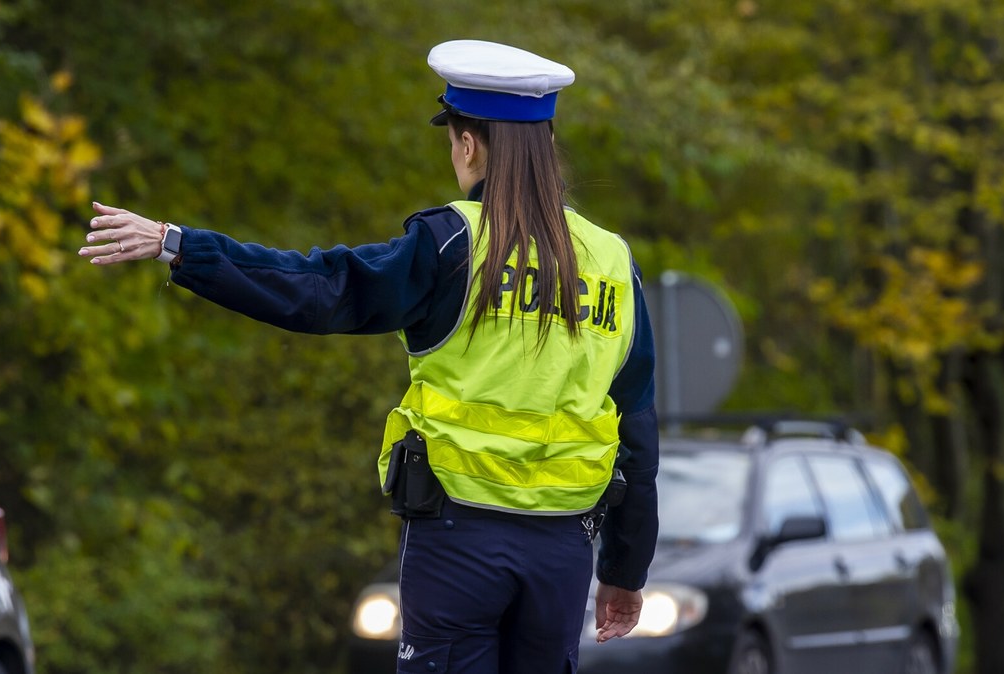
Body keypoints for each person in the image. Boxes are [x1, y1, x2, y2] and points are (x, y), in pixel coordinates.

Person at [78, 39, 659, 674]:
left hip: (459, 539)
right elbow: (637, 429)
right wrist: (625, 571)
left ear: (467, 145)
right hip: (563, 549)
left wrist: (179, 245)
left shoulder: (452, 244)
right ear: (546, 146)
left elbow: (321, 290)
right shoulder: (612, 262)